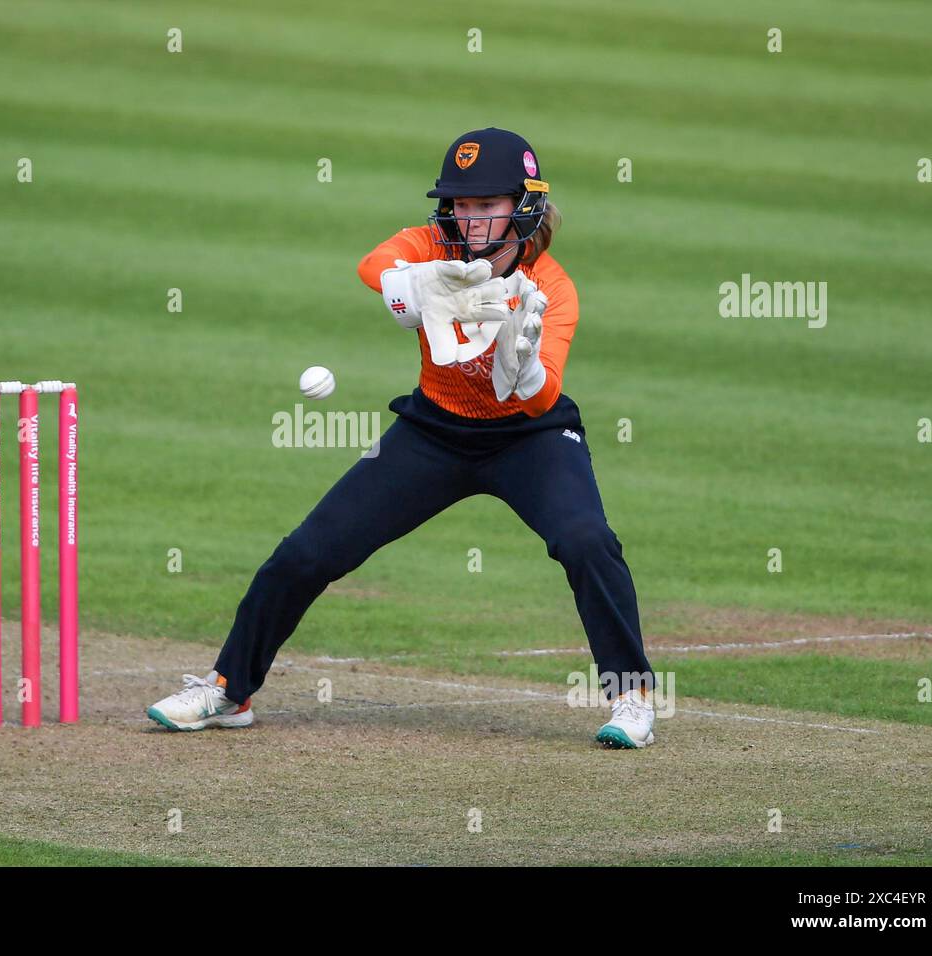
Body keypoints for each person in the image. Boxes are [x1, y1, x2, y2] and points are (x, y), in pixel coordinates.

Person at [147, 128, 657, 748]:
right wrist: (419, 286)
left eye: (486, 205)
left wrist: (522, 375)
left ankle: (632, 698)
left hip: (530, 438)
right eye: (460, 205)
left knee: (586, 540)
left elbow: (545, 395)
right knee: (308, 553)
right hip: (433, 432)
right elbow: (373, 265)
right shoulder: (427, 245)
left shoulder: (553, 287)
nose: (469, 221)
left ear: (522, 205)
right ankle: (229, 689)